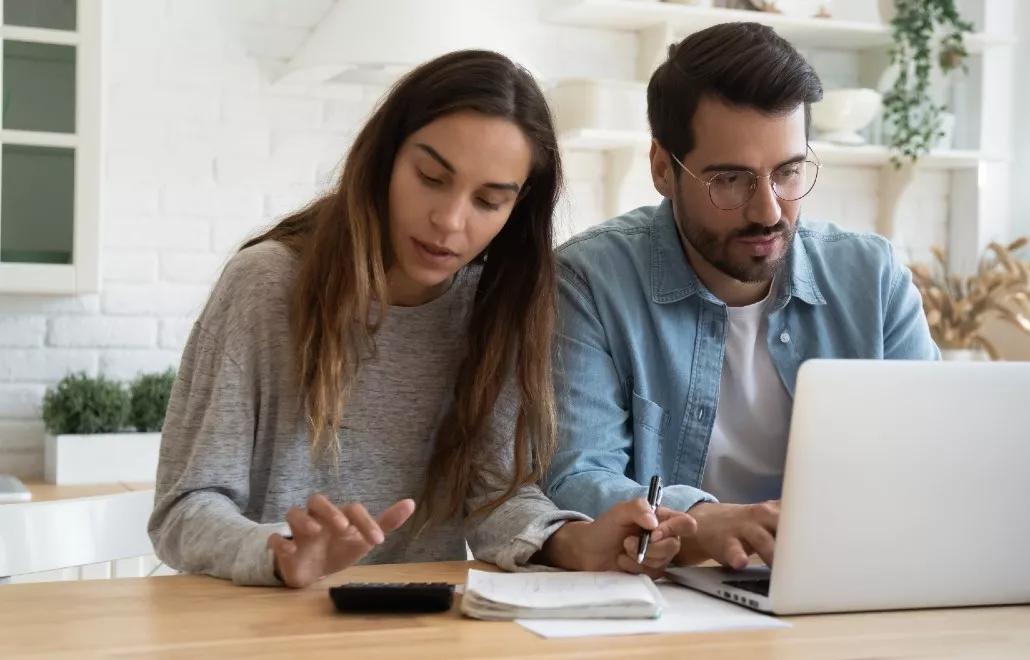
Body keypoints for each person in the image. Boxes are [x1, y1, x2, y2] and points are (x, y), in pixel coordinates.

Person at [148, 50, 694, 588]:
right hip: (259, 629)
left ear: (517, 207)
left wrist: (577, 541)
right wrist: (281, 552)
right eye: (432, 177)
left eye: (488, 200)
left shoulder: (496, 306)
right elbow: (185, 508)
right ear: (386, 158)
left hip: (417, 627)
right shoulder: (265, 285)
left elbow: (493, 498)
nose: (449, 221)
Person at [545, 23, 939, 570]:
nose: (769, 211)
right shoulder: (588, 280)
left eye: (789, 172)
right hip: (667, 597)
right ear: (663, 169)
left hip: (848, 577)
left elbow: (934, 458)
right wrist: (703, 522)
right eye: (730, 180)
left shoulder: (873, 278)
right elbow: (575, 477)